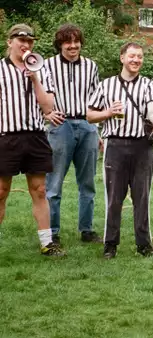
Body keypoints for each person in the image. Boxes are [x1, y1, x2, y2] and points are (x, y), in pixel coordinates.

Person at [87, 42, 153, 259]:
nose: (136, 60)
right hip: (116, 147)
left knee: (142, 197)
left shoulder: (149, 84)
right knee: (114, 198)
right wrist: (108, 113)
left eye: (139, 56)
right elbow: (90, 114)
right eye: (132, 56)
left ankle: (144, 245)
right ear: (122, 58)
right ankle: (110, 245)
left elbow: (152, 107)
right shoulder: (106, 85)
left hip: (142, 147)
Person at [0, 24, 64, 256]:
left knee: (39, 189)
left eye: (29, 41)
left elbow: (48, 106)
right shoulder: (0, 69)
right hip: (6, 136)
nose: (26, 45)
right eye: (21, 40)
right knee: (1, 190)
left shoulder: (42, 69)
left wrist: (35, 78)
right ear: (10, 42)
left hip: (36, 136)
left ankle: (47, 244)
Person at [44, 23, 102, 246]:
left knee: (87, 183)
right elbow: (37, 95)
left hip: (87, 126)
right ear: (60, 44)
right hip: (61, 126)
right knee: (54, 183)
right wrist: (47, 114)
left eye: (76, 41)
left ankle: (86, 230)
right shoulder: (47, 66)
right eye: (68, 42)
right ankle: (53, 232)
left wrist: (98, 131)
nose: (73, 46)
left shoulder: (91, 66)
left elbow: (97, 100)